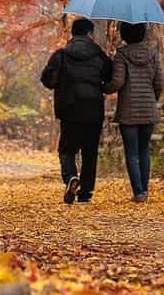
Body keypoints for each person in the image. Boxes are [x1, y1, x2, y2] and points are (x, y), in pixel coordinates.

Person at [40, 18, 113, 204]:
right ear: (89, 34)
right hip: (93, 109)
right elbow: (110, 77)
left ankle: (71, 177)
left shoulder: (61, 55)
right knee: (90, 152)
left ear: (73, 34)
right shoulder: (99, 56)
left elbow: (48, 80)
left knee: (67, 149)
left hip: (69, 109)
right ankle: (86, 192)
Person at [107, 21, 164, 203]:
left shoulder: (122, 55)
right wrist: (152, 99)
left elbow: (117, 82)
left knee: (131, 152)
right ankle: (145, 190)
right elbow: (159, 83)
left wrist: (103, 87)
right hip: (148, 109)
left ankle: (138, 192)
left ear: (124, 34)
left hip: (128, 111)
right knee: (143, 150)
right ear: (142, 34)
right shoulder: (152, 54)